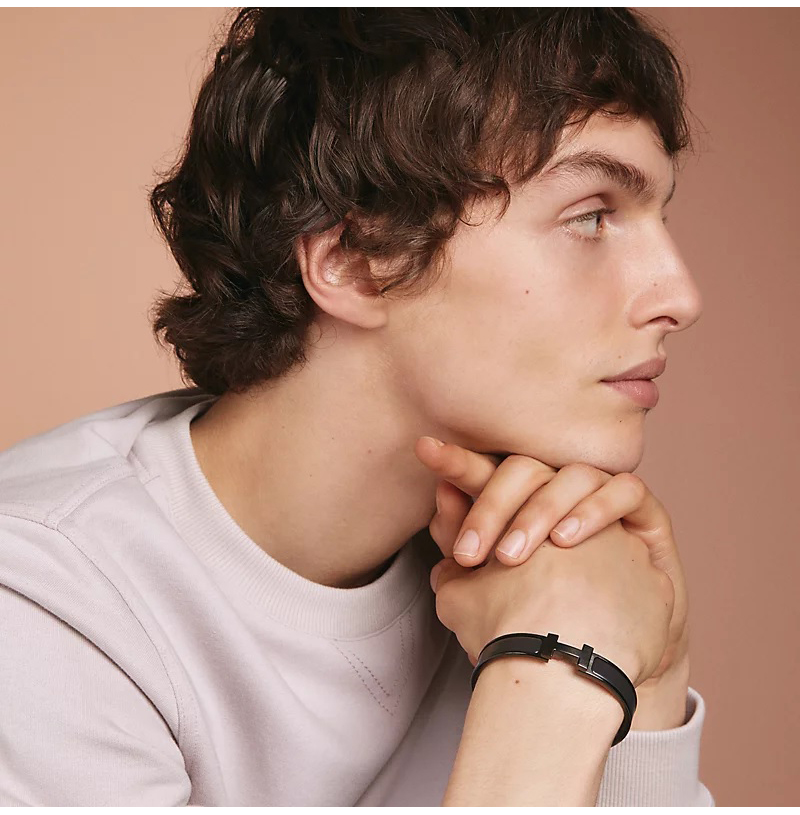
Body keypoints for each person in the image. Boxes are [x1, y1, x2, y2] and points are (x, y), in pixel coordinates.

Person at [0, 8, 714, 805]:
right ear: (356, 261)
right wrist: (554, 668)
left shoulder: (557, 560)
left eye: (657, 217)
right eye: (591, 216)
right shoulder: (42, 610)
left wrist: (652, 677)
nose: (680, 296)